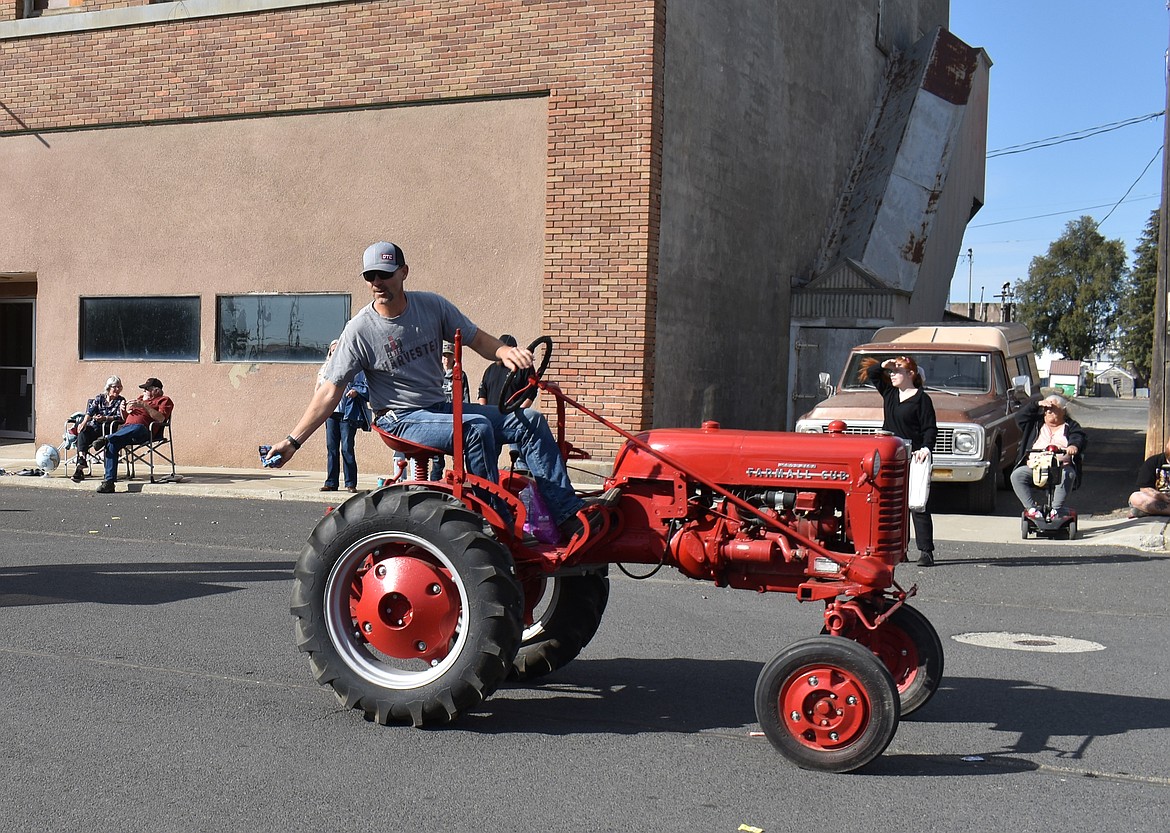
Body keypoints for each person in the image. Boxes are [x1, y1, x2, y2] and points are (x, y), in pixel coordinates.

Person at [263, 241, 598, 542]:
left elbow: (476, 338)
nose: (377, 283)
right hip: (398, 418)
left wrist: (503, 352)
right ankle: (493, 520)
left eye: (385, 274)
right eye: (371, 277)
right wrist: (293, 441)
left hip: (437, 408)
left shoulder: (431, 306)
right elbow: (329, 391)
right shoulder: (359, 330)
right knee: (475, 428)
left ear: (403, 272)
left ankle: (566, 515)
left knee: (530, 421)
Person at [862, 355, 938, 566]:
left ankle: (926, 552)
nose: (893, 375)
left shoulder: (922, 399)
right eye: (892, 372)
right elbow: (873, 374)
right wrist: (885, 364)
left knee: (918, 504)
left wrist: (925, 448)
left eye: (898, 371)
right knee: (894, 506)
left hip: (914, 456)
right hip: (892, 457)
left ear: (910, 374)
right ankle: (898, 550)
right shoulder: (889, 393)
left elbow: (930, 428)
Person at [1008, 394, 1087, 521]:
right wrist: (1036, 404)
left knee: (1068, 474)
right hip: (1036, 466)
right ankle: (1032, 509)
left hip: (1060, 467)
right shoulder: (1035, 423)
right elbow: (1020, 417)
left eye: (1052, 408)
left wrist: (1073, 446)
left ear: (1063, 410)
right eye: (1046, 409)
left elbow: (1078, 437)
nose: (1048, 411)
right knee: (1017, 475)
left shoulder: (1070, 426)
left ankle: (1056, 510)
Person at [91, 377, 175, 494]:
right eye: (143, 389)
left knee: (137, 427)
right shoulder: (140, 399)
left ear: (156, 390)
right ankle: (109, 482)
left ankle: (107, 438)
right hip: (126, 430)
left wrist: (144, 406)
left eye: (146, 389)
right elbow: (126, 419)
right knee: (112, 444)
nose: (143, 392)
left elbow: (161, 418)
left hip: (145, 432)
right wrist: (123, 410)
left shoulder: (164, 400)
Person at [318, 339, 371, 492]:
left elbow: (365, 386)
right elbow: (320, 388)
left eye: (337, 350)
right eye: (332, 350)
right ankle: (331, 482)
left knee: (347, 448)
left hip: (348, 413)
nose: (335, 353)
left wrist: (356, 391)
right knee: (331, 448)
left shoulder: (355, 367)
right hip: (331, 412)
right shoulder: (327, 368)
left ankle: (350, 483)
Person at [70, 375, 127, 482]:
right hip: (96, 427)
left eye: (120, 387)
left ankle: (80, 470)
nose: (118, 389)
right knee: (83, 431)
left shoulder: (121, 400)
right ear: (109, 387)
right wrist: (84, 422)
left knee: (95, 434)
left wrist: (105, 418)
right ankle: (81, 460)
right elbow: (90, 412)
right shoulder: (99, 398)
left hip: (109, 429)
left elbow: (120, 417)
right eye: (115, 387)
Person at [428, 341, 471, 481]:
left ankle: (458, 484)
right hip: (438, 419)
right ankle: (434, 485)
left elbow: (465, 397)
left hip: (454, 419)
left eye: (449, 356)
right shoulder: (435, 373)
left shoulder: (460, 375)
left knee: (458, 457)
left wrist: (464, 416)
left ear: (454, 357)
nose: (446, 359)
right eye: (444, 356)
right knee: (437, 460)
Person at [1128, 437, 1170, 517]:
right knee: (1136, 497)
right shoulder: (1153, 462)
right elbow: (1144, 488)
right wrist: (1161, 496)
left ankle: (1147, 511)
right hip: (1158, 500)